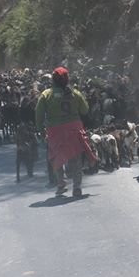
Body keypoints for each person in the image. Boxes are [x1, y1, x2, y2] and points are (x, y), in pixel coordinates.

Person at [34, 66, 96, 198]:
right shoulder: (75, 93)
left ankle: (61, 183)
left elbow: (39, 115)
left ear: (53, 80)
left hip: (55, 132)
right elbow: (85, 110)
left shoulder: (46, 95)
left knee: (57, 158)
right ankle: (77, 187)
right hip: (74, 130)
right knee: (76, 158)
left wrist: (40, 130)